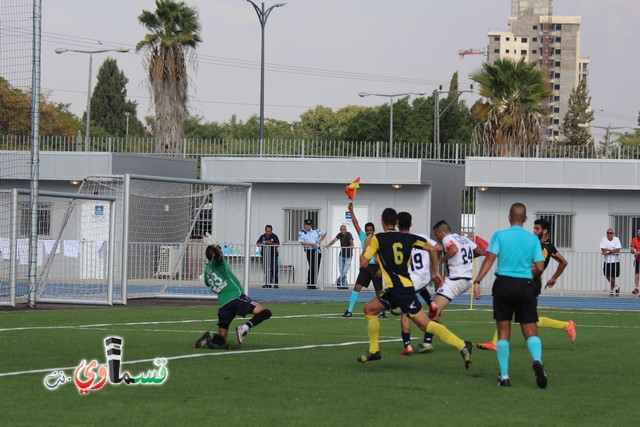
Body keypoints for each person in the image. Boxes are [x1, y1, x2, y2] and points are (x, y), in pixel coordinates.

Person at [356, 207, 472, 370]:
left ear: (382, 222)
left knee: (425, 325)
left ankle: (461, 345)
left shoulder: (377, 239)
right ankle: (374, 351)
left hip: (400, 291)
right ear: (396, 223)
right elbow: (432, 249)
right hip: (401, 289)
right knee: (369, 309)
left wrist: (367, 246)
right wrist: (435, 272)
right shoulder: (408, 238)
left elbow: (363, 264)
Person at [473, 203, 547, 388]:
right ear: (526, 219)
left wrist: (477, 281)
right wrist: (534, 276)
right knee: (530, 331)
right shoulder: (532, 239)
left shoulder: (499, 235)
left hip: (503, 284)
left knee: (504, 332)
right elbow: (539, 267)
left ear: (509, 217)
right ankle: (537, 361)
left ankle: (505, 376)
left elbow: (489, 259)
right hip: (524, 285)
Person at [477, 218, 576, 351]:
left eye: (537, 229)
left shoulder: (548, 247)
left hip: (532, 283)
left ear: (545, 231)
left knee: (528, 318)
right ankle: (495, 342)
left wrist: (554, 277)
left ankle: (566, 326)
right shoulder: (532, 242)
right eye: (534, 228)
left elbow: (563, 262)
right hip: (521, 281)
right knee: (512, 312)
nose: (534, 231)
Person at [421, 220, 485, 353]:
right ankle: (428, 341)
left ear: (441, 232)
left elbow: (454, 249)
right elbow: (479, 251)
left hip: (456, 280)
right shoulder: (464, 239)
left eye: (436, 235)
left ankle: (428, 344)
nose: (436, 238)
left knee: (433, 310)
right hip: (466, 280)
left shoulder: (447, 239)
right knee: (436, 309)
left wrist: (440, 260)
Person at [195, 244, 272, 349]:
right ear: (214, 255)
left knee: (222, 339)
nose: (222, 254)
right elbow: (217, 256)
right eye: (221, 252)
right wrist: (215, 248)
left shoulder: (207, 272)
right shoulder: (218, 263)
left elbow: (208, 283)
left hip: (223, 305)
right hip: (235, 298)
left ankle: (210, 336)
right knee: (265, 312)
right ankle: (244, 328)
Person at [396, 211, 439, 355]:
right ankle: (431, 302)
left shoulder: (397, 241)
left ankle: (407, 345)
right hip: (424, 278)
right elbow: (437, 248)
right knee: (418, 289)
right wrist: (435, 271)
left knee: (405, 312)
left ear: (397, 224)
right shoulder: (421, 237)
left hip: (412, 280)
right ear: (411, 224)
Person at [342, 202, 384, 318]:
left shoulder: (378, 239)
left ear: (374, 230)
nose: (369, 232)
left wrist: (381, 268)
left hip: (375, 267)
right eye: (367, 230)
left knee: (379, 291)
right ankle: (349, 310)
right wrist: (351, 211)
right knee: (357, 287)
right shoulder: (363, 237)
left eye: (371, 230)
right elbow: (355, 224)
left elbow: (381, 255)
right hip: (365, 267)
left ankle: (381, 311)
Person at [298, 218, 326, 289]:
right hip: (309, 250)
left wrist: (319, 242)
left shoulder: (315, 230)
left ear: (311, 225)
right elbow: (302, 242)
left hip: (317, 250)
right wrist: (311, 244)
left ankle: (313, 283)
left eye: (309, 225)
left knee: (316, 267)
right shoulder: (302, 232)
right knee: (312, 266)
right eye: (307, 225)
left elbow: (324, 233)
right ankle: (309, 282)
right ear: (304, 225)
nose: (308, 226)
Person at [325, 225, 354, 289]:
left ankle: (338, 281)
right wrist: (329, 245)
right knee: (341, 271)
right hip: (341, 256)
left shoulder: (349, 234)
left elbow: (352, 244)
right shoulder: (339, 234)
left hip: (348, 256)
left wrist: (351, 246)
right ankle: (344, 285)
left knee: (344, 271)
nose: (342, 231)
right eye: (341, 229)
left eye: (343, 229)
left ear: (346, 230)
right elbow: (334, 240)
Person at [599, 228, 622, 297]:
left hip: (615, 261)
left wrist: (608, 251)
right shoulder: (604, 239)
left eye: (611, 233)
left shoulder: (616, 239)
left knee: (613, 276)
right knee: (607, 276)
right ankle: (616, 287)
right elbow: (603, 250)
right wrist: (612, 250)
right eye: (608, 233)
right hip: (607, 261)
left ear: (613, 234)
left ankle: (612, 291)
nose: (609, 234)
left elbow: (617, 250)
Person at [630, 228, 640, 295]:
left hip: (638, 255)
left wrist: (638, 252)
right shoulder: (634, 239)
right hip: (638, 259)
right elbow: (632, 249)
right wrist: (634, 251)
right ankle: (636, 288)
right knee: (637, 272)